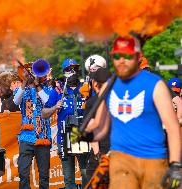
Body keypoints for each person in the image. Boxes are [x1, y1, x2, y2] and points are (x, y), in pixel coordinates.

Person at [83, 36, 182, 189]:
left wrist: (175, 165)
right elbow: (99, 124)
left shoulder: (155, 85)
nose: (121, 60)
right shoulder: (108, 86)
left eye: (127, 56)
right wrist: (87, 132)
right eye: (117, 56)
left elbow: (173, 127)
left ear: (137, 57)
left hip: (153, 160)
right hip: (121, 161)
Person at [42, 58, 89, 189]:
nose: (73, 71)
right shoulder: (57, 91)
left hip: (81, 134)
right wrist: (55, 107)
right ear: (64, 72)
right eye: (69, 69)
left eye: (75, 68)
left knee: (86, 174)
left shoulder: (85, 88)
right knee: (69, 179)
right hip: (64, 136)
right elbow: (44, 113)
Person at [13, 59, 52, 189]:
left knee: (44, 175)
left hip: (43, 137)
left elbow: (48, 102)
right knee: (23, 173)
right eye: (28, 71)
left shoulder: (46, 88)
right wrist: (24, 82)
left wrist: (37, 85)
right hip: (26, 137)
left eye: (33, 71)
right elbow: (16, 101)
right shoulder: (21, 89)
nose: (31, 74)